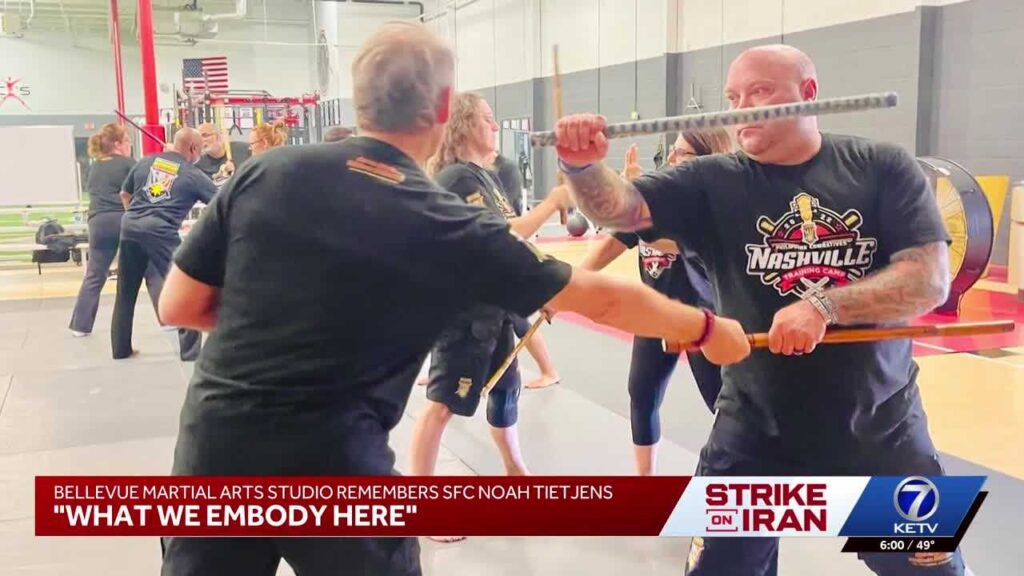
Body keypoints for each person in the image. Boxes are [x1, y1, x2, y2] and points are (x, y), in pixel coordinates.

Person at [156, 22, 749, 576]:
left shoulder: (265, 172)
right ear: (443, 109)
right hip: (334, 464)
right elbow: (594, 297)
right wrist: (702, 327)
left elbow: (178, 306)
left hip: (212, 449)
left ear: (358, 99)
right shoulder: (441, 216)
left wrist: (285, 323)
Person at [555, 44, 963, 575]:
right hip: (754, 430)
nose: (741, 108)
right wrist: (582, 166)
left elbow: (930, 280)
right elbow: (620, 209)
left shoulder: (882, 166)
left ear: (808, 93)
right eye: (733, 97)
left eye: (760, 92)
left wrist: (823, 305)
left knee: (931, 572)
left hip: (882, 430)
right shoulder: (711, 181)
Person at [407, 92, 574, 517]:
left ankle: (515, 470)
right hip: (465, 316)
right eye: (487, 118)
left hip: (494, 309)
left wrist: (542, 290)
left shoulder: (487, 178)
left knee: (505, 389)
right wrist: (551, 204)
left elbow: (510, 251)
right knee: (442, 406)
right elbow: (504, 236)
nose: (496, 126)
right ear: (464, 125)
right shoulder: (457, 179)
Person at [579, 128, 732, 476]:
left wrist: (631, 205)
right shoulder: (657, 199)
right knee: (642, 394)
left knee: (724, 405)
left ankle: (735, 478)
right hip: (654, 316)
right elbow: (613, 243)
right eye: (672, 151)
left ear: (706, 160)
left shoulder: (712, 207)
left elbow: (670, 243)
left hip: (702, 320)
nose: (672, 159)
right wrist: (570, 282)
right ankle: (645, 482)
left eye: (682, 153)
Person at [112, 127, 215, 362]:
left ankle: (120, 349)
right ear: (193, 148)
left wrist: (137, 218)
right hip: (161, 231)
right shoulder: (192, 174)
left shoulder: (145, 162)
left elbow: (124, 194)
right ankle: (190, 353)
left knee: (125, 291)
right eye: (200, 149)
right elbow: (220, 203)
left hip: (130, 227)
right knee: (184, 288)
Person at [68, 124, 162, 337]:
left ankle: (80, 326)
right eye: (127, 140)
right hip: (125, 219)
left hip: (99, 223)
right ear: (118, 144)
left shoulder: (95, 167)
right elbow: (152, 190)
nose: (130, 145)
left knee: (94, 274)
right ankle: (167, 319)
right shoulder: (129, 164)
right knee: (151, 269)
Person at [492, 152, 562, 389]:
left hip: (506, 248)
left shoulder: (505, 169)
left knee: (516, 315)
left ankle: (548, 370)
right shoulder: (471, 172)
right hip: (495, 248)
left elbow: (507, 218)